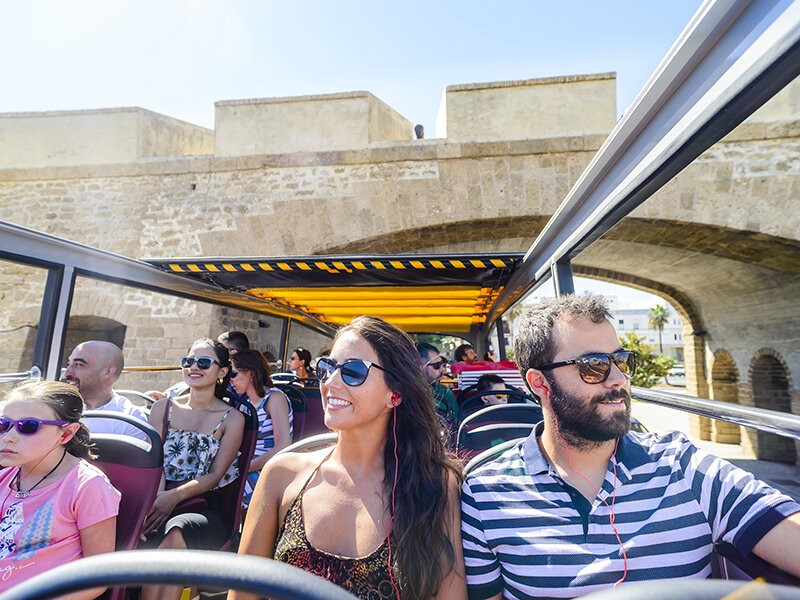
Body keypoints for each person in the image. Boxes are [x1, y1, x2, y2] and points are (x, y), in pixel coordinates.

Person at [461, 295, 800, 599]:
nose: (619, 378)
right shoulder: (485, 494)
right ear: (539, 383)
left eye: (621, 360)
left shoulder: (682, 466)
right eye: (593, 366)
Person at [232, 316, 466, 600]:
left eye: (353, 371)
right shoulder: (282, 474)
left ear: (396, 393)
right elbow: (243, 595)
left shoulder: (434, 483)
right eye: (327, 367)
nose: (330, 382)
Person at [142, 338, 244, 600]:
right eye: (188, 361)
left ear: (221, 372)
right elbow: (153, 463)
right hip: (158, 493)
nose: (193, 367)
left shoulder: (233, 418)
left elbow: (215, 475)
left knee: (177, 531)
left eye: (203, 362)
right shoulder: (162, 408)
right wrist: (159, 498)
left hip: (204, 503)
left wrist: (173, 498)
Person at [0, 381, 120, 595]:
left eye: (28, 426)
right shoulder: (5, 477)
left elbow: (99, 579)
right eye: (3, 424)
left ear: (65, 434)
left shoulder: (87, 486)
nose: (8, 436)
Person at [229, 349, 293, 508]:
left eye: (233, 374)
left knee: (229, 491)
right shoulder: (246, 405)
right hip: (247, 466)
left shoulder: (274, 398)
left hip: (268, 469)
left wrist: (244, 468)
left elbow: (283, 446)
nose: (230, 381)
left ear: (251, 373)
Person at [61, 340, 147, 440]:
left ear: (107, 372)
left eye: (79, 364)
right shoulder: (54, 408)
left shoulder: (131, 418)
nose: (66, 373)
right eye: (68, 364)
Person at [416, 342, 459, 437]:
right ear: (419, 366)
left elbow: (455, 429)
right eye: (437, 365)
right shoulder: (401, 393)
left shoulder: (445, 392)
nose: (442, 370)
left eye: (443, 364)